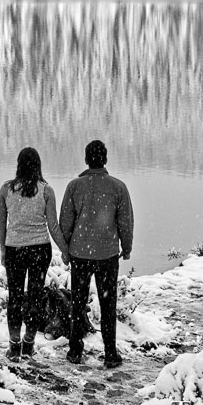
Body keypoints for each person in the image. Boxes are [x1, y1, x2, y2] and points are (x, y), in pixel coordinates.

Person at [59, 139, 134, 368]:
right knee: (108, 304)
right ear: (105, 159)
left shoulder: (74, 186)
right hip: (107, 255)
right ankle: (110, 353)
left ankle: (74, 350)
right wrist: (127, 247)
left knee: (78, 302)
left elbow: (65, 221)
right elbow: (125, 222)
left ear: (86, 160)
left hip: (80, 254)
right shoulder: (118, 187)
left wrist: (66, 250)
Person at [0, 146, 69, 361]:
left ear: (19, 165)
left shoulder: (6, 189)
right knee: (36, 296)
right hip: (39, 249)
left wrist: (3, 250)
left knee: (15, 298)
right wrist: (66, 250)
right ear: (38, 166)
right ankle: (28, 343)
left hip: (14, 249)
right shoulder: (46, 190)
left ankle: (14, 345)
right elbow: (53, 226)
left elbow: (1, 225)